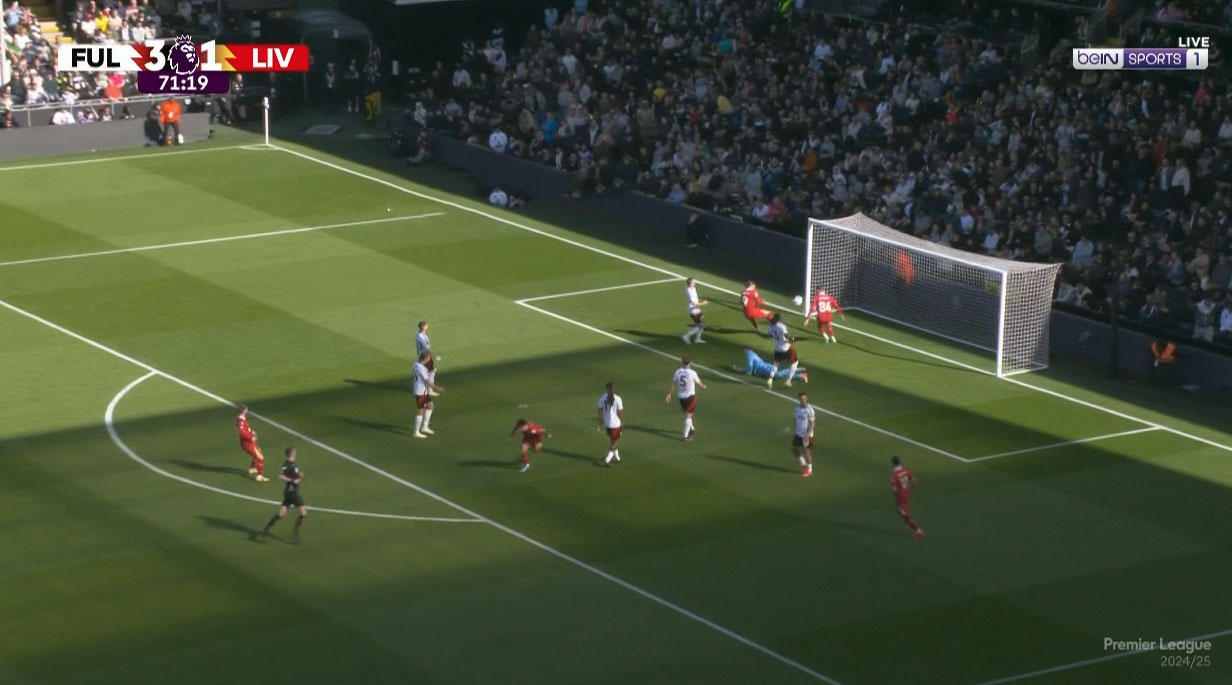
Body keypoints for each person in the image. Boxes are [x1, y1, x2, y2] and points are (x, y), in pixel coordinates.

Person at [262, 447, 307, 543]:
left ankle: (266, 528)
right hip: (292, 492)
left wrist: (299, 476)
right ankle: (295, 534)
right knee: (304, 513)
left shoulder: (292, 464)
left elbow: (294, 475)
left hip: (289, 492)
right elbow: (280, 476)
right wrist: (292, 480)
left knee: (282, 513)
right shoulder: (287, 464)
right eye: (294, 451)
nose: (296, 452)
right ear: (292, 453)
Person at [665, 356, 706, 442]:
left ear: (682, 362)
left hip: (681, 397)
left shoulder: (678, 371)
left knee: (689, 413)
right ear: (690, 362)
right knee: (689, 415)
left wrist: (669, 394)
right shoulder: (692, 373)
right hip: (690, 397)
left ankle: (691, 427)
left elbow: (673, 383)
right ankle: (685, 437)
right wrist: (704, 386)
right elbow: (700, 385)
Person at [890, 456, 924, 540]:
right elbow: (914, 481)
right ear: (899, 462)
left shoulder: (893, 475)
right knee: (902, 509)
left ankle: (918, 531)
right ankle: (907, 525)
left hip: (901, 496)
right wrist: (911, 488)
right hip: (908, 493)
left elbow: (894, 489)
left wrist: (897, 500)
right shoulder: (906, 470)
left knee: (903, 513)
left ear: (892, 463)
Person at [412, 351, 444, 438]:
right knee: (421, 409)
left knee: (430, 405)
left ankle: (425, 427)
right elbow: (427, 380)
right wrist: (436, 387)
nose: (430, 359)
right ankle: (416, 432)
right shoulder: (421, 368)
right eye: (429, 358)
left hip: (423, 390)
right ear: (425, 358)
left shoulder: (416, 364)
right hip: (420, 391)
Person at [732, 347, 808, 382]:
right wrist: (742, 369)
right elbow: (750, 367)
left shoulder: (750, 354)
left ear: (747, 350)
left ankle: (795, 369)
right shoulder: (751, 354)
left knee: (778, 375)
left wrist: (740, 369)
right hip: (762, 370)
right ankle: (801, 375)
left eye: (745, 350)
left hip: (764, 368)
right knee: (779, 376)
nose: (744, 352)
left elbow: (750, 366)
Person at [235, 405, 269, 482]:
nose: (247, 411)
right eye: (246, 409)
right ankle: (259, 476)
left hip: (248, 442)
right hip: (247, 443)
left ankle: (253, 468)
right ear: (244, 410)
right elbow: (242, 433)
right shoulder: (241, 421)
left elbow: (244, 429)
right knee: (260, 457)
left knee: (258, 452)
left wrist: (251, 431)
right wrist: (251, 437)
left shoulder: (241, 419)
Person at [767, 313, 799, 388]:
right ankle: (788, 381)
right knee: (794, 363)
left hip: (777, 349)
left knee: (776, 363)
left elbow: (769, 333)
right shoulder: (781, 326)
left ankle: (770, 379)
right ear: (778, 320)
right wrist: (792, 339)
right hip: (786, 348)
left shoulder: (770, 326)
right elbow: (786, 335)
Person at [596, 381, 624, 466]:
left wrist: (599, 424)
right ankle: (608, 457)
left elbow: (599, 411)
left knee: (613, 439)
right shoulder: (617, 398)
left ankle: (616, 456)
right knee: (617, 439)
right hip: (616, 423)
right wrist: (622, 422)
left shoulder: (602, 398)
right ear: (614, 389)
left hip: (607, 423)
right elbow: (620, 412)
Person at [792, 392, 815, 478]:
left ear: (806, 399)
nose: (803, 400)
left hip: (807, 435)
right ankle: (803, 463)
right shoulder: (797, 408)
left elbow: (812, 423)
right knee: (794, 448)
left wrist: (808, 434)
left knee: (806, 452)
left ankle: (809, 470)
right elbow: (797, 419)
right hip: (798, 433)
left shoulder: (809, 409)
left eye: (804, 398)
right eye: (801, 399)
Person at [415, 320, 439, 397]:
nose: (427, 326)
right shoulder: (421, 337)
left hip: (423, 355)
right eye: (426, 325)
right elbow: (426, 349)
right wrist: (434, 355)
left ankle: (427, 388)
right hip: (425, 356)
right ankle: (429, 390)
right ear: (423, 327)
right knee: (431, 371)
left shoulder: (418, 334)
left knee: (429, 370)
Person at [681, 277, 709, 344]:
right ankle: (686, 336)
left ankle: (698, 339)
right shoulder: (690, 291)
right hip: (693, 310)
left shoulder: (693, 288)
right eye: (693, 282)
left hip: (696, 309)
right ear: (690, 283)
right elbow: (693, 303)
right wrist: (703, 303)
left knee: (701, 323)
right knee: (699, 325)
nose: (695, 283)